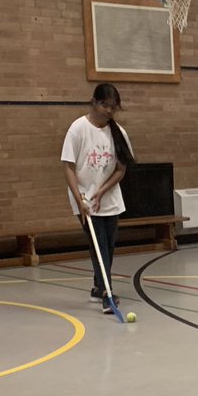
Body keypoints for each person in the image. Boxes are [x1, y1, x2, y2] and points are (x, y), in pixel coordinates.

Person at [61, 83, 135, 315]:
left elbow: (121, 170)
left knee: (108, 247)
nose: (109, 111)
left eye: (114, 107)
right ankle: (107, 293)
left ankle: (97, 285)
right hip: (84, 200)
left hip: (110, 199)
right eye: (105, 106)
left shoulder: (118, 133)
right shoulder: (78, 128)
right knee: (98, 246)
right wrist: (79, 198)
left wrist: (102, 191)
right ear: (94, 102)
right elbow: (68, 167)